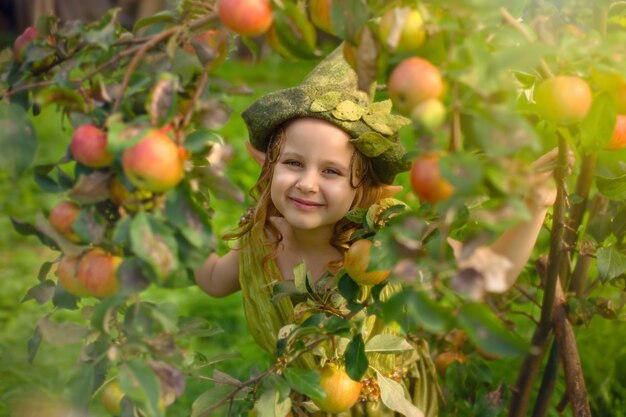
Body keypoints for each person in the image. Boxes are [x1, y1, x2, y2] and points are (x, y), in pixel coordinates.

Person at [195, 47, 562, 416]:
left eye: (331, 171)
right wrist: (179, 210)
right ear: (268, 166)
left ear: (364, 186)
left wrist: (534, 206)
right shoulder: (263, 239)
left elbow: (490, 271)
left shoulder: (389, 240)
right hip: (303, 403)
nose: (307, 183)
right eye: (293, 163)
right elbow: (212, 279)